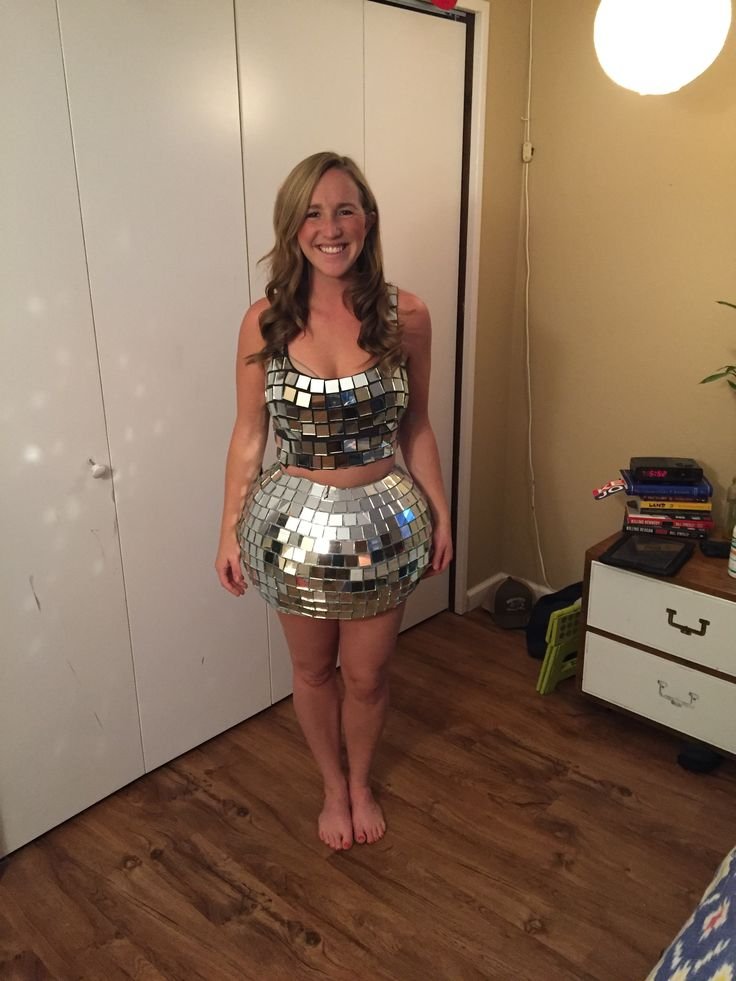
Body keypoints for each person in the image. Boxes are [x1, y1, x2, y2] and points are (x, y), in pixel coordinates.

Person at [215, 151, 452, 851]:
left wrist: (441, 511)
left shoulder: (408, 315)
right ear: (293, 227)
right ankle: (330, 786)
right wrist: (227, 530)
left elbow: (418, 425)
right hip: (291, 529)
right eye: (313, 213)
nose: (330, 228)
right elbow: (248, 435)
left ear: (367, 219)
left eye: (345, 209)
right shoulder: (264, 320)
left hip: (384, 525)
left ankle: (361, 783)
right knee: (314, 670)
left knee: (369, 677)